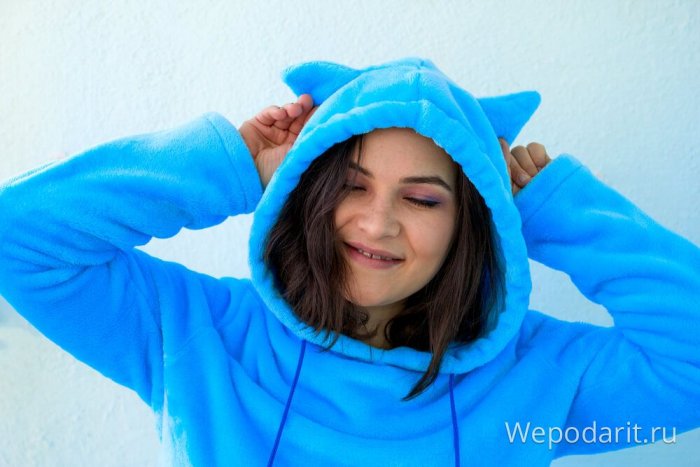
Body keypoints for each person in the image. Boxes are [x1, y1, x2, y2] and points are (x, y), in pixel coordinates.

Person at [0, 57, 698, 466]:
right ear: (307, 193)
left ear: (470, 225)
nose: (377, 222)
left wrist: (557, 210)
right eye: (352, 186)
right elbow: (18, 237)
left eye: (421, 199)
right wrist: (232, 164)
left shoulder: (532, 389)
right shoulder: (195, 335)